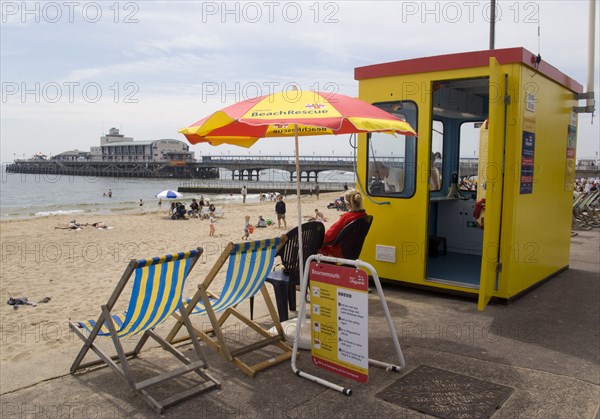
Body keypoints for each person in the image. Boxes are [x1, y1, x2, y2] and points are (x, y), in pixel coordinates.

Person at [319, 189, 367, 257]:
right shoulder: (364, 215)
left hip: (337, 252)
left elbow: (328, 236)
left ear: (347, 203)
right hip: (352, 251)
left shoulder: (347, 217)